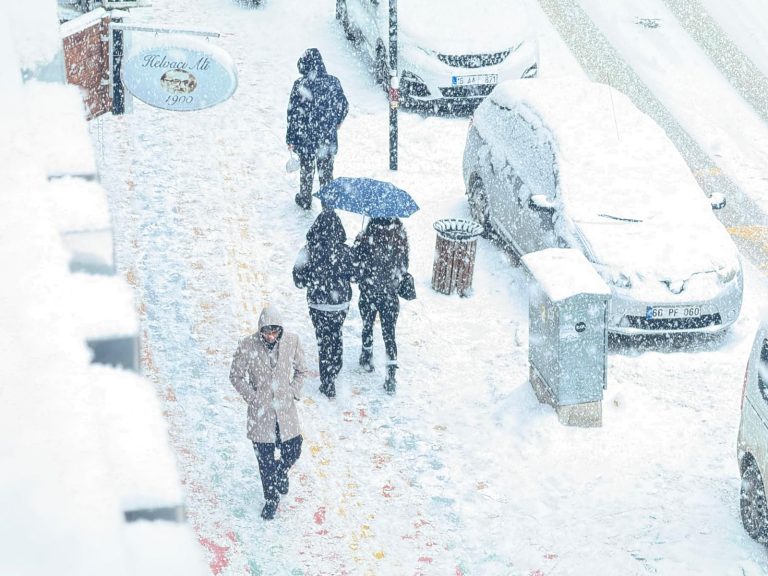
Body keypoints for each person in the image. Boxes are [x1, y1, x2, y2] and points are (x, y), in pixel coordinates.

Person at [229, 305, 308, 521]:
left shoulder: (292, 342)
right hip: (260, 414)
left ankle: (281, 472)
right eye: (267, 332)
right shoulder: (247, 345)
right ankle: (271, 499)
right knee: (264, 460)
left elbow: (302, 371)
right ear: (260, 330)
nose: (271, 336)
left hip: (285, 411)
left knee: (293, 449)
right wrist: (253, 398)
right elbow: (235, 376)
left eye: (274, 332)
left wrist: (292, 392)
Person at [293, 208, 354, 398]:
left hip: (318, 304)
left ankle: (327, 381)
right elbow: (355, 275)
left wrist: (312, 279)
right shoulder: (345, 251)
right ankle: (335, 366)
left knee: (323, 339)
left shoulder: (308, 250)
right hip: (340, 304)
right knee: (336, 333)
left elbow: (298, 280)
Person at [351, 217, 410, 394]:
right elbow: (404, 267)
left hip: (369, 292)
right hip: (390, 295)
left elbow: (356, 266)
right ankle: (391, 375)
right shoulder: (400, 238)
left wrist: (358, 242)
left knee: (367, 324)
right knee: (389, 334)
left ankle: (366, 356)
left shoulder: (367, 237)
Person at [286, 48, 349, 210]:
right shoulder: (333, 82)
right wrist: (336, 121)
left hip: (305, 137)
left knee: (306, 169)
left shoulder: (300, 84)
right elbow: (343, 106)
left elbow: (293, 114)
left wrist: (291, 139)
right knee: (326, 172)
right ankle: (327, 205)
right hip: (326, 137)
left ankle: (305, 198)